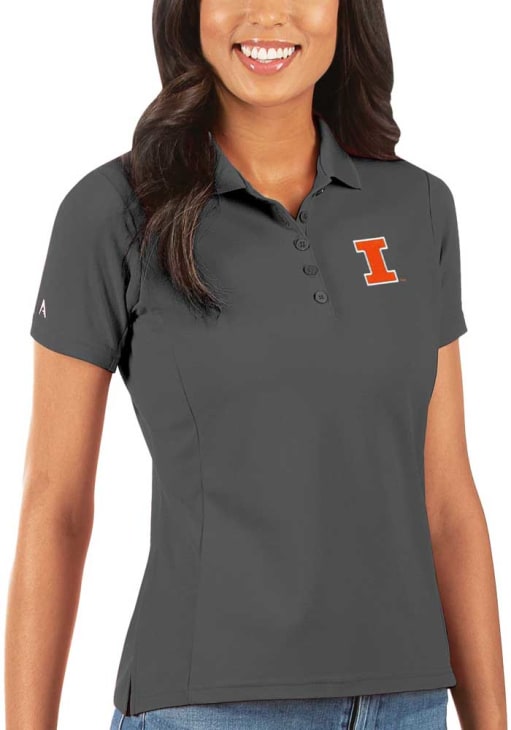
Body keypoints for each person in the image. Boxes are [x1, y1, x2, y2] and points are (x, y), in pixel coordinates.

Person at [5, 0, 506, 728]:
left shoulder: (418, 207)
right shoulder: (113, 212)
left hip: (409, 703)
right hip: (205, 707)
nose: (267, 14)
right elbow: (54, 505)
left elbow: (447, 501)